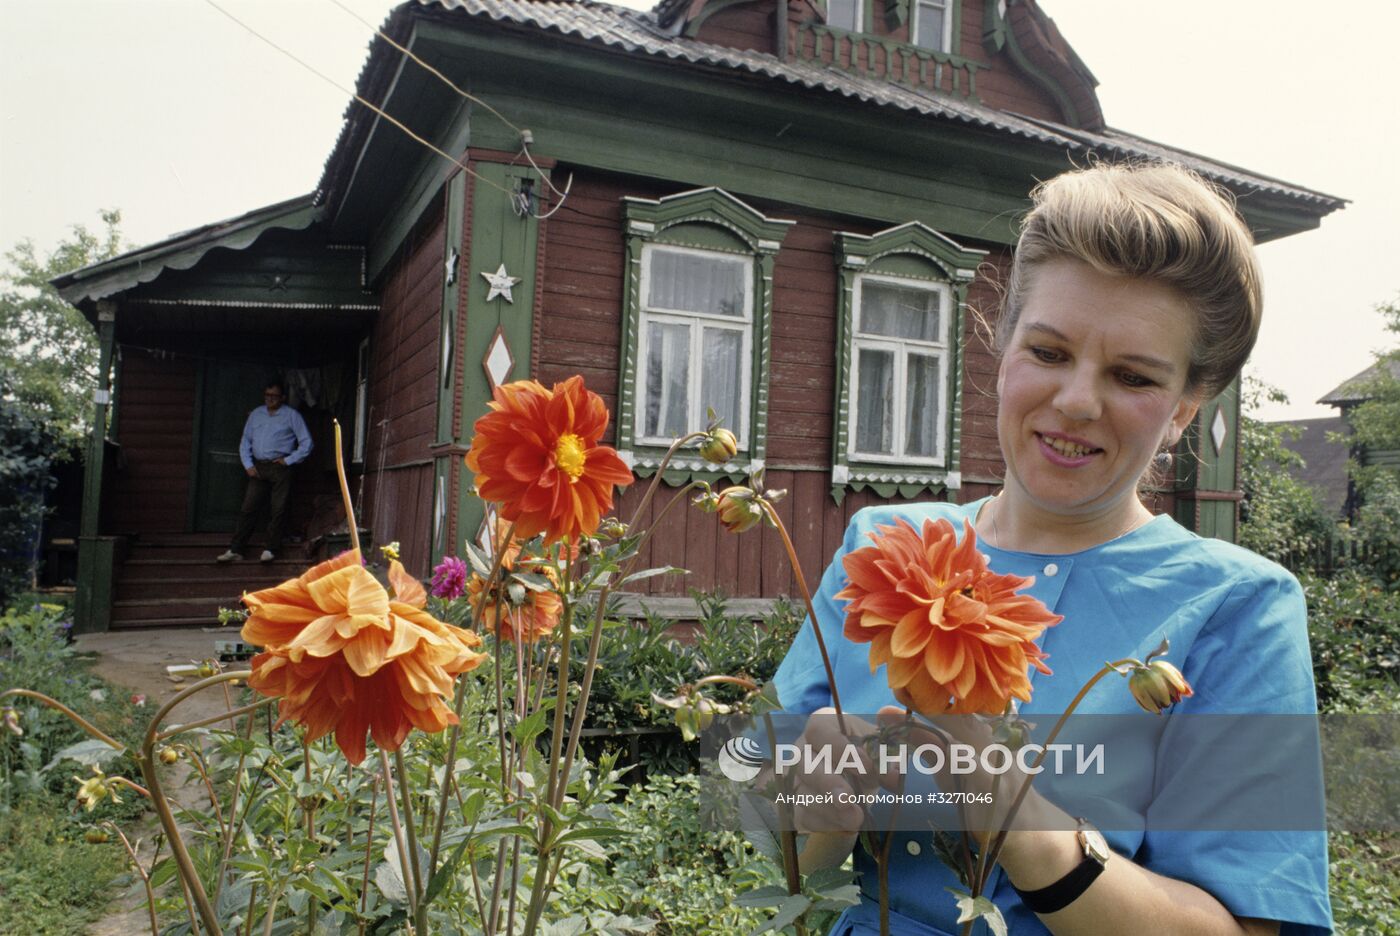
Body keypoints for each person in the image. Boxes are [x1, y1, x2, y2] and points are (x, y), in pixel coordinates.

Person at [772, 163, 1332, 935]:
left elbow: (1242, 928)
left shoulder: (1237, 606)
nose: (1076, 401)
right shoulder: (885, 545)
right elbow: (787, 851)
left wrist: (1013, 808)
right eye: (1050, 351)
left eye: (1133, 375)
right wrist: (824, 806)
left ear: (1184, 409)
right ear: (1003, 349)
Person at [216, 378, 313, 563]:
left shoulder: (291, 415)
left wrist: (288, 460)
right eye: (267, 395)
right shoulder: (256, 415)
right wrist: (248, 465)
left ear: (282, 397)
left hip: (279, 468)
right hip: (258, 467)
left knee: (278, 509)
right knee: (248, 508)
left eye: (274, 396)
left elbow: (307, 443)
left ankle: (270, 549)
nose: (270, 399)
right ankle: (236, 550)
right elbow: (245, 441)